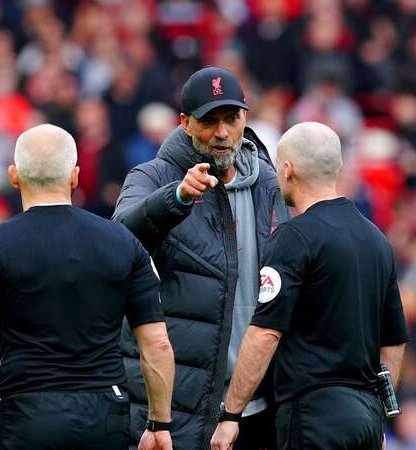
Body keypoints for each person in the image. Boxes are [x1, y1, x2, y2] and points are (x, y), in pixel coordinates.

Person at [0, 124, 175, 450]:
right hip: (105, 418)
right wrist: (159, 423)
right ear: (75, 176)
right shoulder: (124, 243)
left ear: (14, 175)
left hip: (28, 418)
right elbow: (157, 344)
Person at [112, 66, 290, 450]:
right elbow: (119, 237)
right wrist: (175, 199)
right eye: (209, 121)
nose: (222, 133)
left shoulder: (271, 185)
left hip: (260, 408)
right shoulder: (153, 176)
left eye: (231, 119)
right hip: (182, 412)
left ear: (246, 117)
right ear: (185, 123)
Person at [210, 122, 409, 450]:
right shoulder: (376, 239)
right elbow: (394, 340)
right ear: (338, 168)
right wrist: (379, 411)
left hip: (312, 415)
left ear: (287, 170)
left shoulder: (292, 238)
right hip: (366, 416)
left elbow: (265, 334)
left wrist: (231, 414)